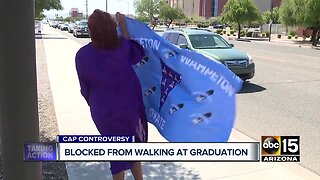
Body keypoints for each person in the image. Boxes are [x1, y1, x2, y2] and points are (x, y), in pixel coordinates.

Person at [75, 9, 148, 180]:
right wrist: (123, 25)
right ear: (110, 28)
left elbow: (84, 88)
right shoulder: (122, 46)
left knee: (116, 152)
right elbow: (136, 52)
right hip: (128, 108)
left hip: (103, 112)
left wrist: (95, 104)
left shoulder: (82, 55)